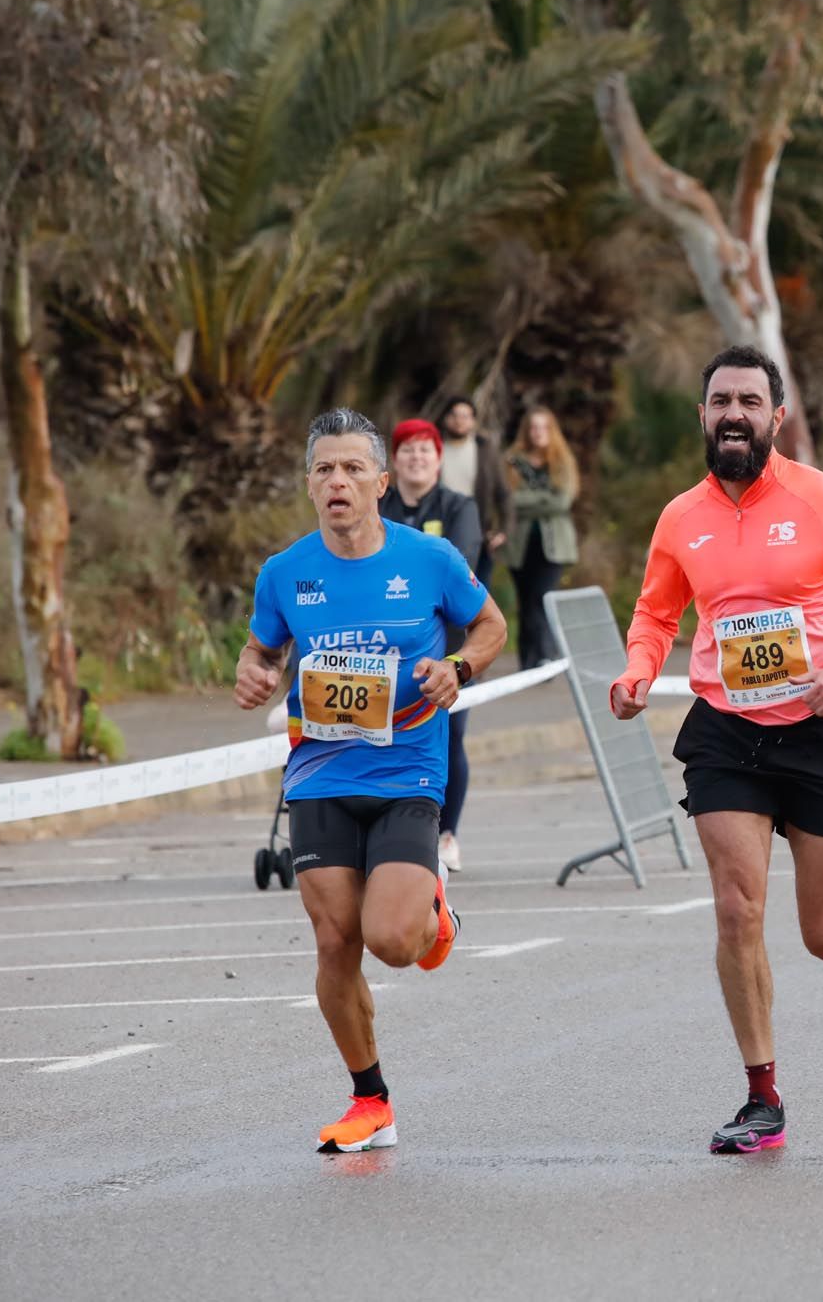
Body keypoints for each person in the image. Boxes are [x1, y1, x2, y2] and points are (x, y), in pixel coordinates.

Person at [609, 345, 823, 1155]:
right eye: (720, 401)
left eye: (750, 400)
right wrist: (639, 668)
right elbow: (656, 612)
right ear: (704, 416)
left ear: (776, 416)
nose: (734, 414)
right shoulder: (683, 517)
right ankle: (761, 1096)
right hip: (727, 730)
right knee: (736, 906)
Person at [234, 407, 507, 1153]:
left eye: (353, 467)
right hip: (320, 773)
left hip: (408, 768)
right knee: (334, 940)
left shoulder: (430, 560)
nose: (338, 481)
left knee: (391, 939)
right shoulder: (285, 573)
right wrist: (254, 674)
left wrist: (456, 667)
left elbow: (491, 627)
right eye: (324, 468)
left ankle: (432, 915)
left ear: (383, 483)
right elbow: (260, 650)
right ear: (309, 485)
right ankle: (370, 1099)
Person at [379, 418, 484, 872]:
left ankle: (446, 833)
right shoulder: (376, 506)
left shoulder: (459, 507)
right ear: (393, 460)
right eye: (407, 450)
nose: (416, 458)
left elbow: (456, 566)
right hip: (384, 650)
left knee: (449, 734)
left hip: (450, 647)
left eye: (425, 450)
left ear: (439, 459)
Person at [506, 407, 579, 669]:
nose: (538, 433)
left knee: (542, 598)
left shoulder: (562, 462)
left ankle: (545, 657)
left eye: (543, 427)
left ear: (551, 430)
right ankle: (527, 660)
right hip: (520, 544)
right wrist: (543, 499)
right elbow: (509, 501)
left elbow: (562, 502)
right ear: (526, 430)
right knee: (525, 602)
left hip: (553, 546)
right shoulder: (513, 461)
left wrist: (528, 502)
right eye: (533, 427)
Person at [436, 395, 509, 574]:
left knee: (477, 590)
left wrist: (504, 530)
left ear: (473, 421)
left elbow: (503, 493)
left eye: (465, 416)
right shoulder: (432, 449)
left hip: (479, 533)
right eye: (454, 415)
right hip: (439, 531)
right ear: (445, 419)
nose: (459, 421)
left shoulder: (485, 450)